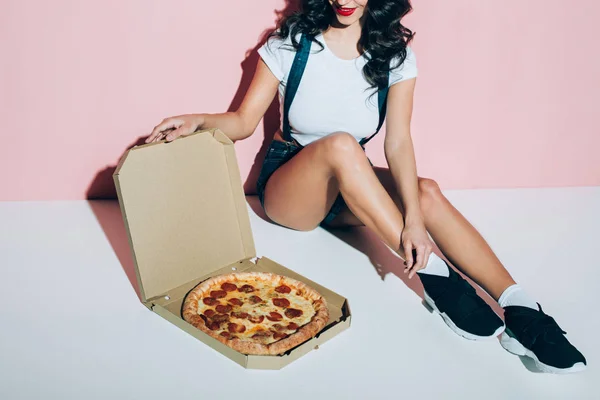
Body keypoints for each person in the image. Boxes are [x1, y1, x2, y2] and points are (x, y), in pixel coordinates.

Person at [145, 0, 586, 374]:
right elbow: (242, 122)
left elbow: (397, 143)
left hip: (350, 185)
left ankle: (524, 310)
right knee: (340, 146)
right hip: (289, 190)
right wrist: (198, 120)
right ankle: (439, 280)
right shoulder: (291, 43)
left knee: (426, 190)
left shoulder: (393, 55)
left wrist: (414, 220)